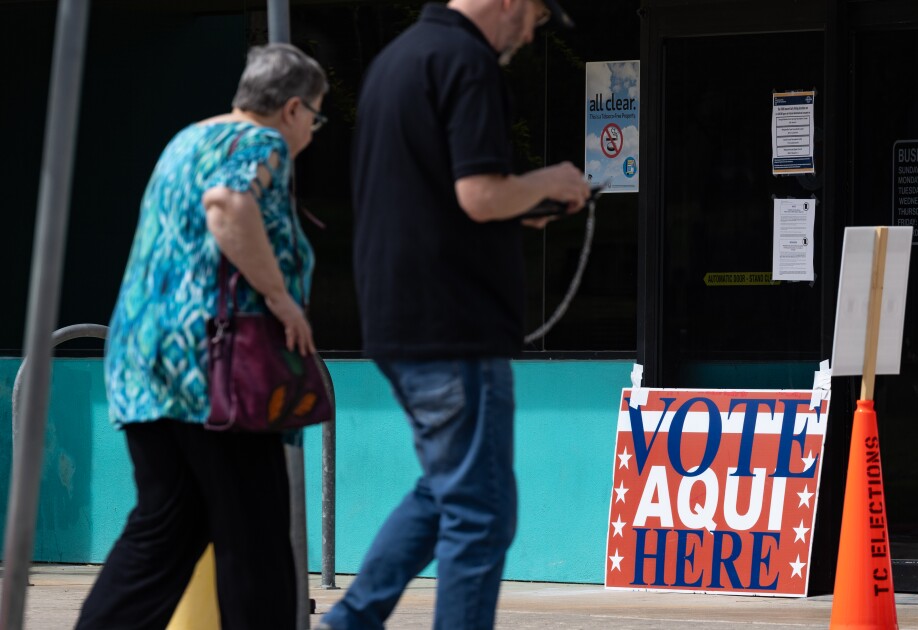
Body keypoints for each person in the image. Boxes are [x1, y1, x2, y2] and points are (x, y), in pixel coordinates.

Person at [318, 1, 588, 628]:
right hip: (453, 324)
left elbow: (438, 195)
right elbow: (479, 192)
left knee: (448, 491)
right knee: (481, 509)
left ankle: (348, 621)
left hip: (399, 318)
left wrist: (523, 206)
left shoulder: (396, 61)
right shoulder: (468, 62)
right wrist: (547, 181)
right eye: (536, 18)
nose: (529, 36)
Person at [77, 43, 328, 630]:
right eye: (314, 117)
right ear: (290, 109)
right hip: (216, 376)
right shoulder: (260, 143)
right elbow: (227, 206)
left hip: (144, 365)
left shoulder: (187, 139)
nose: (312, 133)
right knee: (258, 538)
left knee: (167, 527)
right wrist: (280, 298)